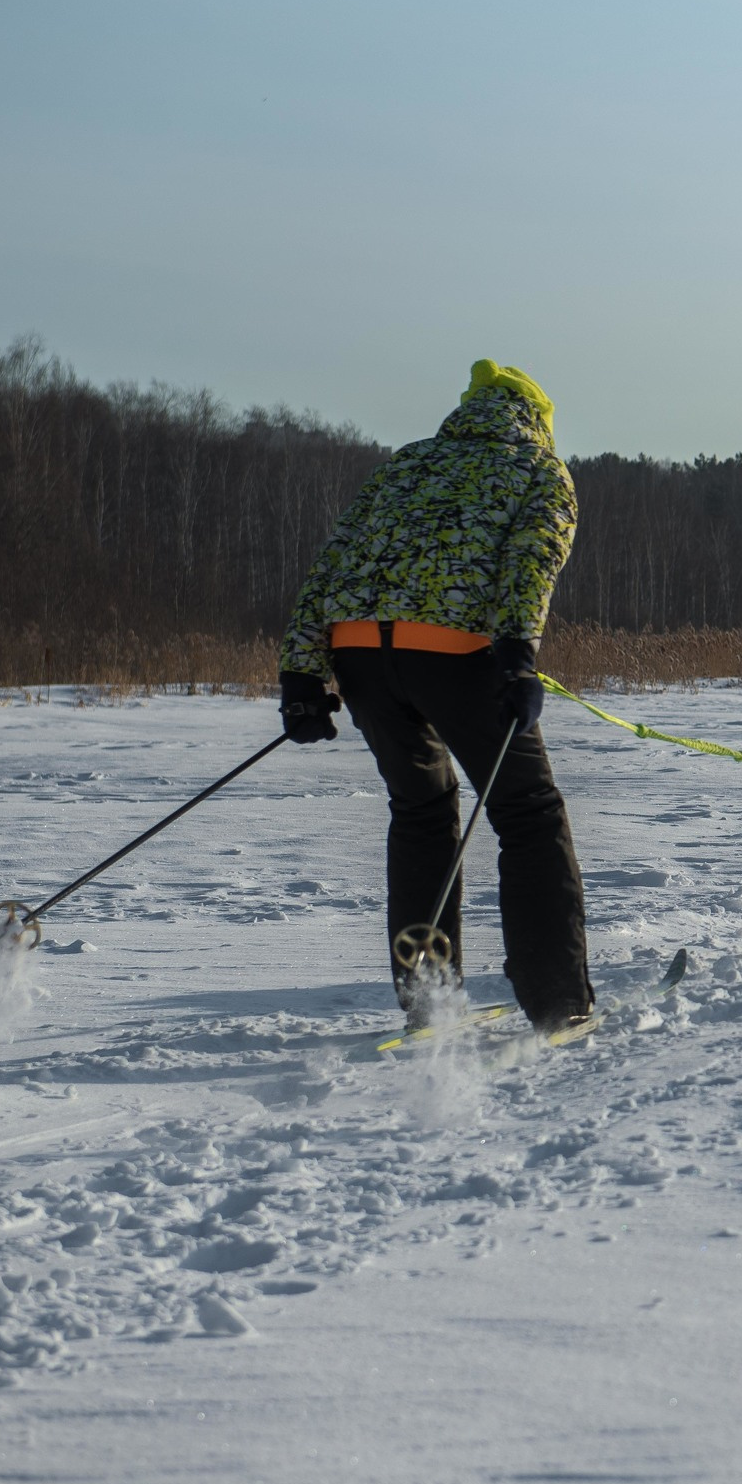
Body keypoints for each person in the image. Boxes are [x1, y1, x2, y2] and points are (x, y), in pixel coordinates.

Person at [275, 360, 590, 1031]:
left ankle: (429, 1003)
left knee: (420, 812)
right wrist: (517, 658)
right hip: (457, 656)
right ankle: (558, 1002)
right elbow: (530, 563)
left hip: (360, 655)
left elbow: (333, 561)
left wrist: (301, 675)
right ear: (537, 419)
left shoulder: (407, 464)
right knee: (528, 813)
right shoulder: (539, 469)